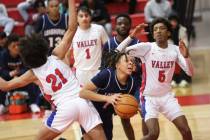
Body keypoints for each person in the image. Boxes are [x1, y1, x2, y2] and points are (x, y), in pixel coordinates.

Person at [0, 0, 106, 139]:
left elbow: (5, 86)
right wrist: (71, 1)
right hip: (82, 101)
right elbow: (72, 28)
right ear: (42, 48)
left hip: (64, 109)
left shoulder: (33, 74)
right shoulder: (56, 55)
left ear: (26, 57)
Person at [117, 17, 193, 140]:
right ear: (152, 34)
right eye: (155, 29)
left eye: (162, 28)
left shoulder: (175, 49)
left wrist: (187, 56)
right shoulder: (146, 47)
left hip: (167, 97)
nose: (158, 31)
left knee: (186, 131)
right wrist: (132, 36)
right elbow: (117, 51)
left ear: (168, 33)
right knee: (153, 134)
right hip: (148, 98)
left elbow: (190, 72)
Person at [101, 13, 147, 139]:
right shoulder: (109, 44)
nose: (122, 26)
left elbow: (144, 66)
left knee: (144, 113)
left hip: (136, 84)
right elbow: (104, 67)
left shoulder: (138, 43)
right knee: (125, 116)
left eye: (125, 23)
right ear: (115, 26)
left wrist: (135, 66)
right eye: (119, 23)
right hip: (118, 86)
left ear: (130, 26)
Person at [79, 51, 137, 140]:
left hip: (106, 115)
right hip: (89, 110)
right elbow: (82, 93)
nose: (130, 63)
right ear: (117, 65)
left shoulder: (132, 84)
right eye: (126, 61)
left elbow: (124, 107)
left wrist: (133, 108)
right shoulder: (107, 74)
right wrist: (107, 98)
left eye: (132, 61)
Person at [0, 34, 40, 113]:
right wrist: (11, 74)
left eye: (18, 45)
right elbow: (2, 71)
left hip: (22, 78)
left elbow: (28, 68)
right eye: (13, 46)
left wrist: (18, 75)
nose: (17, 48)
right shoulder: (3, 55)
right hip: (9, 79)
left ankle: (33, 103)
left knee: (32, 79)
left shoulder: (24, 54)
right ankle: (2, 105)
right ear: (8, 47)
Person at [71, 6, 108, 86]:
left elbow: (108, 47)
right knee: (84, 97)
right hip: (81, 72)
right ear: (77, 18)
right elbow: (67, 54)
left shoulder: (99, 29)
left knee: (99, 96)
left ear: (90, 17)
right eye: (81, 16)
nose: (84, 18)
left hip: (98, 70)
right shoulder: (72, 33)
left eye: (86, 15)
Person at [168, 14, 191, 88]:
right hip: (171, 52)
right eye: (171, 21)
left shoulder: (183, 30)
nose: (173, 23)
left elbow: (185, 43)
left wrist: (181, 51)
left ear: (177, 22)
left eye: (174, 21)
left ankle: (184, 79)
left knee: (185, 59)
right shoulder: (166, 31)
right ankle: (173, 80)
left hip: (181, 50)